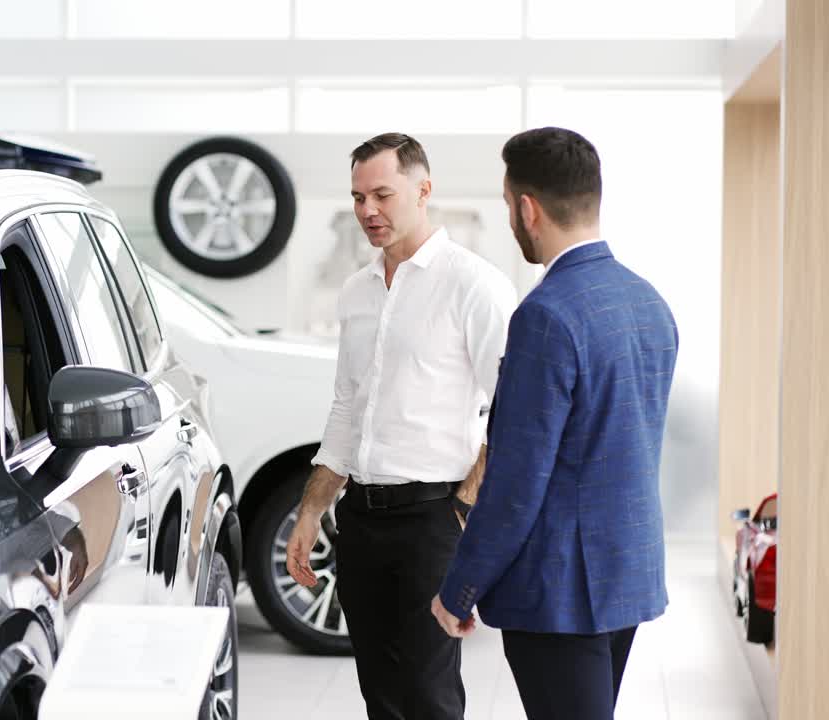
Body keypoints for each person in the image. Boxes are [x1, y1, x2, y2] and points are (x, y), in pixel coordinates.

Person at [431, 127, 679, 720]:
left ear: (526, 208)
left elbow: (517, 481)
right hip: (625, 569)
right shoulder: (648, 302)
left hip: (561, 588)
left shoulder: (545, 316)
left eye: (507, 206)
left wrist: (460, 588)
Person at [286, 132, 517, 720]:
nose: (368, 211)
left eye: (383, 195)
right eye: (359, 197)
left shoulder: (475, 285)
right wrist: (312, 509)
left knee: (430, 695)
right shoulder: (355, 293)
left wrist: (462, 509)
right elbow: (346, 408)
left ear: (423, 190)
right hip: (360, 520)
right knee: (380, 694)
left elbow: (515, 411)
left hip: (433, 521)